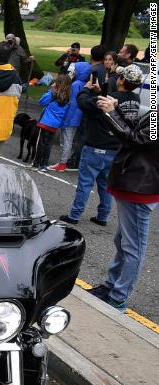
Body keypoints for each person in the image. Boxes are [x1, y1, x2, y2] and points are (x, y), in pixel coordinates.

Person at [88, 76, 156, 312]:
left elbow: (137, 139)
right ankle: (111, 287)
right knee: (124, 242)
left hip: (141, 187)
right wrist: (116, 109)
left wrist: (110, 114)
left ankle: (118, 297)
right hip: (136, 184)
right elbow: (139, 130)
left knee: (132, 247)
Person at [61, 63, 143, 226]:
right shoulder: (135, 99)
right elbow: (113, 100)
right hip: (116, 148)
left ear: (121, 80)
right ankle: (103, 216)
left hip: (96, 146)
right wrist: (100, 92)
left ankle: (75, 215)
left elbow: (84, 103)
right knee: (105, 185)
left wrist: (87, 88)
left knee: (85, 183)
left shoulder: (107, 100)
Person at [50, 61, 89, 172]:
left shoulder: (76, 84)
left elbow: (72, 104)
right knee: (69, 139)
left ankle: (62, 163)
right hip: (77, 117)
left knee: (66, 140)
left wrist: (66, 119)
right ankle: (63, 162)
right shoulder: (83, 84)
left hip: (71, 118)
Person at [33, 72, 70, 171]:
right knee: (48, 145)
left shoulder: (53, 95)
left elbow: (41, 101)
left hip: (45, 123)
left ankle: (36, 164)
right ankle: (44, 165)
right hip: (55, 125)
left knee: (40, 144)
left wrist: (50, 91)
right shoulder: (67, 98)